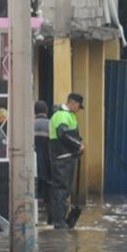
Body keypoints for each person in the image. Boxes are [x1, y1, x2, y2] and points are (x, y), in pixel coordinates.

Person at [48, 92, 85, 228]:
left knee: (64, 190)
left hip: (67, 157)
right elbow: (62, 134)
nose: (78, 109)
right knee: (61, 190)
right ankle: (59, 221)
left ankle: (59, 218)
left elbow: (72, 134)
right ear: (73, 103)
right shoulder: (61, 115)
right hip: (61, 158)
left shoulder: (70, 116)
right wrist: (78, 145)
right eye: (78, 106)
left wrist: (79, 142)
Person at [34, 100, 51, 210]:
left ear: (34, 111)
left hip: (34, 157)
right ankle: (45, 201)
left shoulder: (31, 124)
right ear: (46, 110)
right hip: (48, 157)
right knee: (47, 179)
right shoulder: (50, 124)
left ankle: (37, 200)